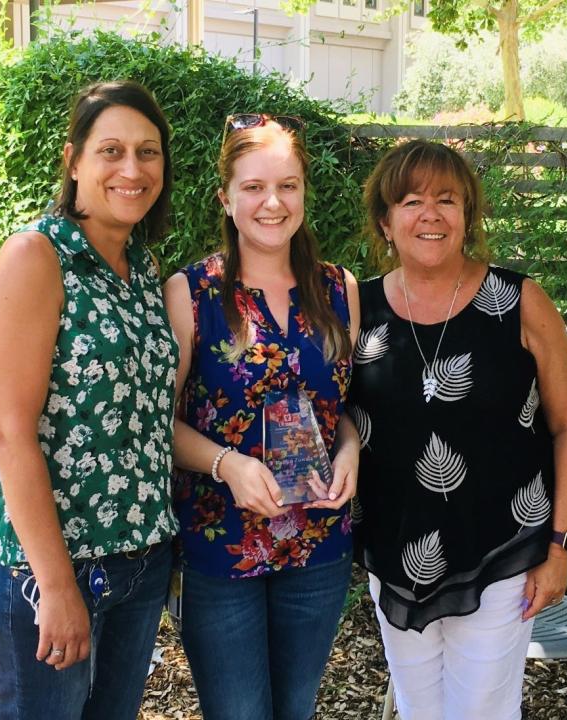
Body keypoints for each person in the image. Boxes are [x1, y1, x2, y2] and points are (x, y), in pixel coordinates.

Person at [349, 139, 567, 720]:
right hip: (394, 555)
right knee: (417, 710)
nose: (429, 214)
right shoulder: (355, 308)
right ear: (386, 222)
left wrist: (560, 547)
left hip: (502, 551)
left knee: (481, 712)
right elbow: (331, 419)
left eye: (446, 199)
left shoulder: (518, 301)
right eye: (410, 201)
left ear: (468, 217)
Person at [0, 80, 180, 720]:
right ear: (74, 161)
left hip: (138, 562)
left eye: (148, 152)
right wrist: (55, 588)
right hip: (45, 572)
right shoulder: (36, 257)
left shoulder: (141, 268)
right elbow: (8, 432)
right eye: (110, 150)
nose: (132, 169)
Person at [162, 114, 361, 720]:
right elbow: (155, 427)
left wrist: (351, 451)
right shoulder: (191, 292)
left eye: (288, 185)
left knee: (295, 709)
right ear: (226, 197)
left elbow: (343, 407)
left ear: (305, 192)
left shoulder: (339, 288)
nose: (272, 202)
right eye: (253, 187)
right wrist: (227, 464)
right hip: (220, 544)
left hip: (320, 543)